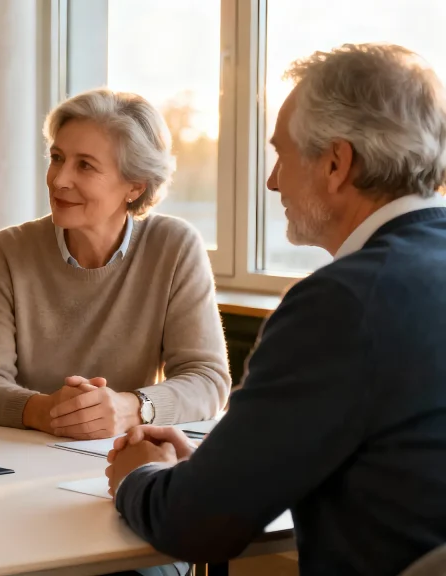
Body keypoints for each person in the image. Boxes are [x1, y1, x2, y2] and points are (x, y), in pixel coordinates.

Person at [106, 43, 446, 576]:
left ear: (336, 163)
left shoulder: (342, 303)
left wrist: (137, 475)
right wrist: (215, 476)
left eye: (281, 155)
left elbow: (195, 525)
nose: (271, 181)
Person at [0, 88, 231, 440]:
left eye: (84, 165)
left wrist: (132, 407)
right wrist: (49, 411)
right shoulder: (6, 252)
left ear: (134, 186)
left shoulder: (174, 246)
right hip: (17, 457)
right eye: (57, 158)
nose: (59, 180)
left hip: (127, 457)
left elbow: (208, 379)